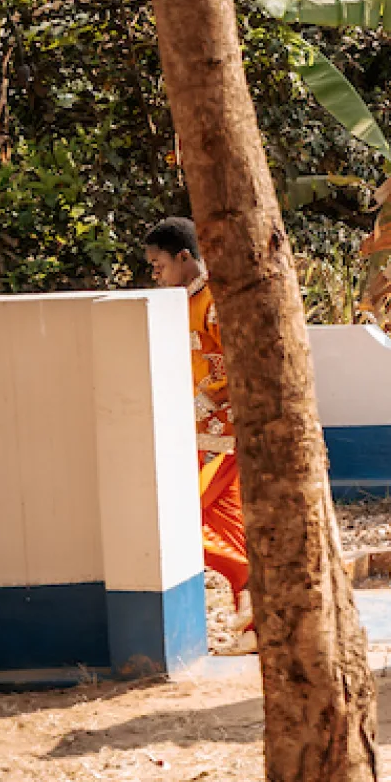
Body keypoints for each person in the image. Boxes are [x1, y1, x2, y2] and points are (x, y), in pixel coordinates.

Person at [143, 218, 254, 654]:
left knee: (183, 524)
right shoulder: (181, 304)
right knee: (225, 530)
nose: (155, 274)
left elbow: (238, 367)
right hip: (199, 441)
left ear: (185, 258)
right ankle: (253, 624)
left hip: (224, 442)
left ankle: (252, 603)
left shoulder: (214, 305)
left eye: (159, 265)